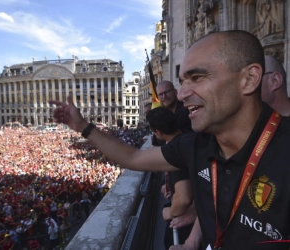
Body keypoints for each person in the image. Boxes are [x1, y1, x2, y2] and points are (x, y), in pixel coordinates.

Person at [50, 30, 290, 250]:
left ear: (249, 79)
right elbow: (132, 157)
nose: (183, 93)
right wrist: (83, 126)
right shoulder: (196, 145)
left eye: (197, 77)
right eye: (183, 81)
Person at [146, 107, 195, 248]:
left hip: (186, 219)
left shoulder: (175, 151)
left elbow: (184, 198)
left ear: (158, 132)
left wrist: (171, 211)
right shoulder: (187, 137)